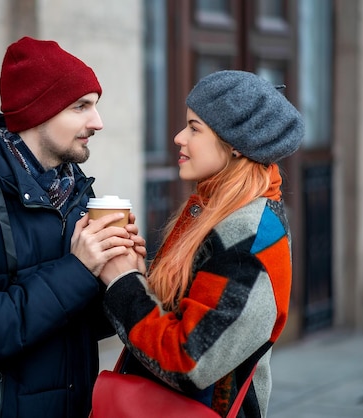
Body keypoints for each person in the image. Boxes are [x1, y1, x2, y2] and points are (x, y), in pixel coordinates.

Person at [0, 36, 144, 418]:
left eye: (95, 106)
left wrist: (123, 278)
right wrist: (79, 268)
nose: (97, 122)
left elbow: (75, 325)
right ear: (39, 113)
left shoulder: (73, 194)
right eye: (81, 107)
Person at [97, 70, 305, 417]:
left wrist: (123, 285)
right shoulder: (213, 207)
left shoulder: (251, 240)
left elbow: (190, 361)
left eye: (195, 128)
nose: (179, 137)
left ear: (235, 143)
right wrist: (137, 274)